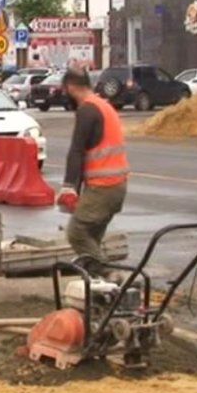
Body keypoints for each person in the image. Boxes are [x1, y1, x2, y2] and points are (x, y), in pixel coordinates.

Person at [57, 68, 129, 258]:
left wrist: (68, 187)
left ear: (71, 87)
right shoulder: (103, 106)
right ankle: (99, 282)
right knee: (92, 241)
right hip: (116, 187)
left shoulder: (87, 110)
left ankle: (109, 275)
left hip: (103, 189)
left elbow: (77, 151)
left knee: (77, 233)